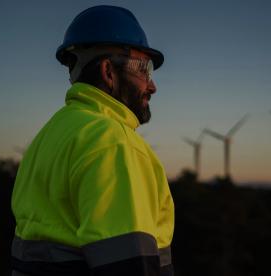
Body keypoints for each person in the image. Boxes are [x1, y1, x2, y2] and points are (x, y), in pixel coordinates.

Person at [11, 5, 174, 276]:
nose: (152, 85)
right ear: (109, 71)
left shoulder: (49, 135)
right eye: (143, 69)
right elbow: (128, 266)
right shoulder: (113, 142)